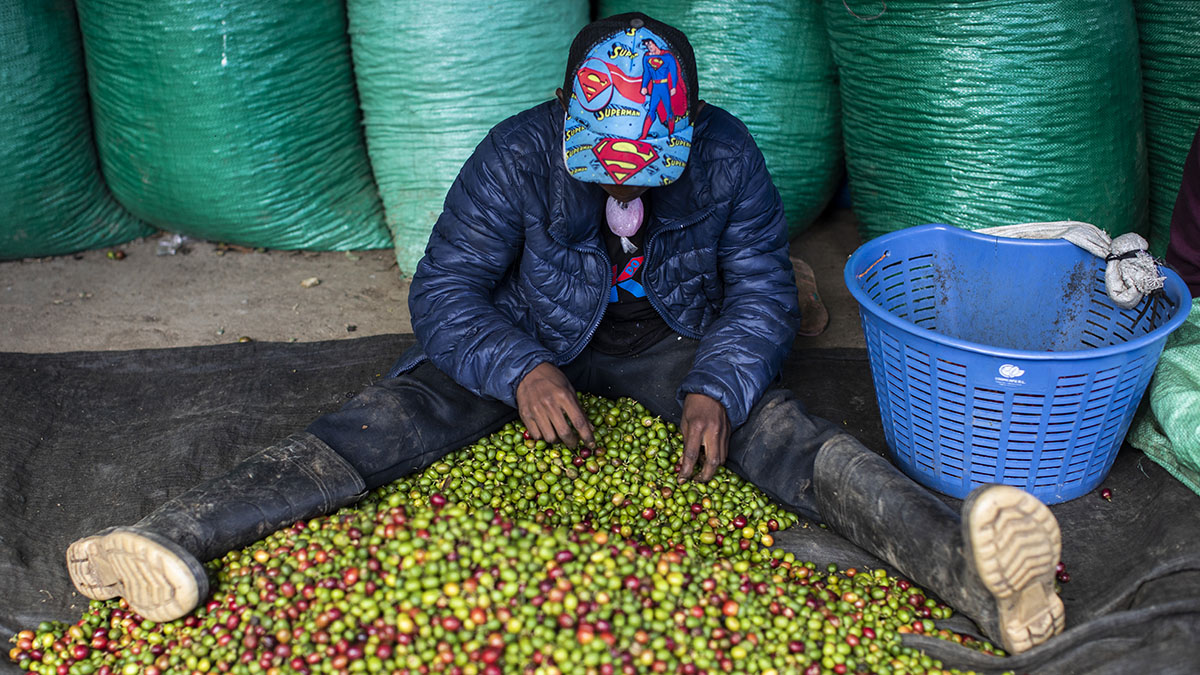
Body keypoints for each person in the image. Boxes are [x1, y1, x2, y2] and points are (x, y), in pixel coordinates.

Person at [64, 14, 1064, 655]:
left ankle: (977, 579)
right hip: (532, 330)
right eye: (607, 170)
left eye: (647, 172)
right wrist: (524, 366)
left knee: (781, 430)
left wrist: (719, 380)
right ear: (564, 117)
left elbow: (758, 286)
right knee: (392, 416)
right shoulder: (515, 155)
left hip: (674, 333)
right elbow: (447, 288)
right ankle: (166, 537)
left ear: (690, 126)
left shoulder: (724, 153)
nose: (626, 189)